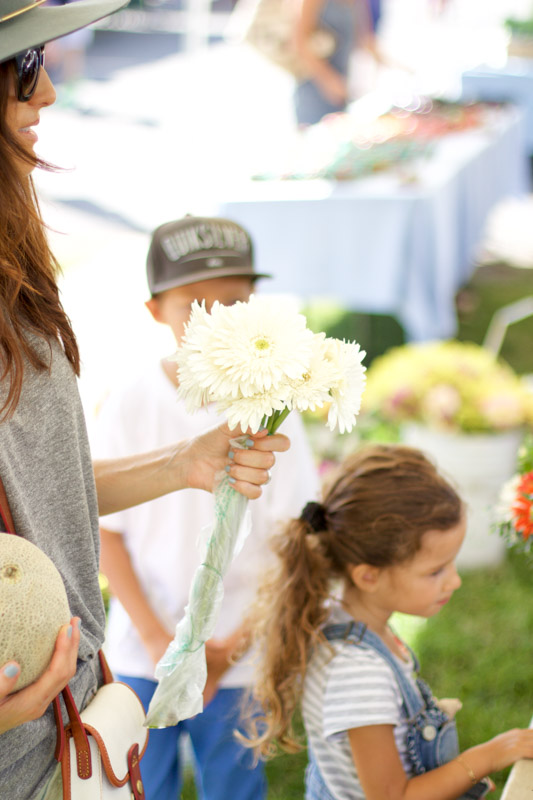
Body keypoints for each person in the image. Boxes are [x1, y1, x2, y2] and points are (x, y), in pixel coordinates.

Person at [0, 6, 290, 799]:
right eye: (24, 65)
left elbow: (41, 490)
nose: (47, 91)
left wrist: (182, 463)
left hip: (64, 730)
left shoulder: (14, 258)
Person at [90, 214, 320, 800]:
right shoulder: (131, 401)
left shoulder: (274, 407)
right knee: (141, 782)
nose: (216, 319)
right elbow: (106, 531)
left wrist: (228, 649)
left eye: (234, 301)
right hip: (143, 649)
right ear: (155, 311)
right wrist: (155, 638)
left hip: (240, 653)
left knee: (234, 782)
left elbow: (296, 540)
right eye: (194, 303)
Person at [242, 443, 533, 800]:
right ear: (368, 576)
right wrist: (490, 755)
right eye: (435, 571)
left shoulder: (358, 622)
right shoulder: (359, 674)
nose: (455, 581)